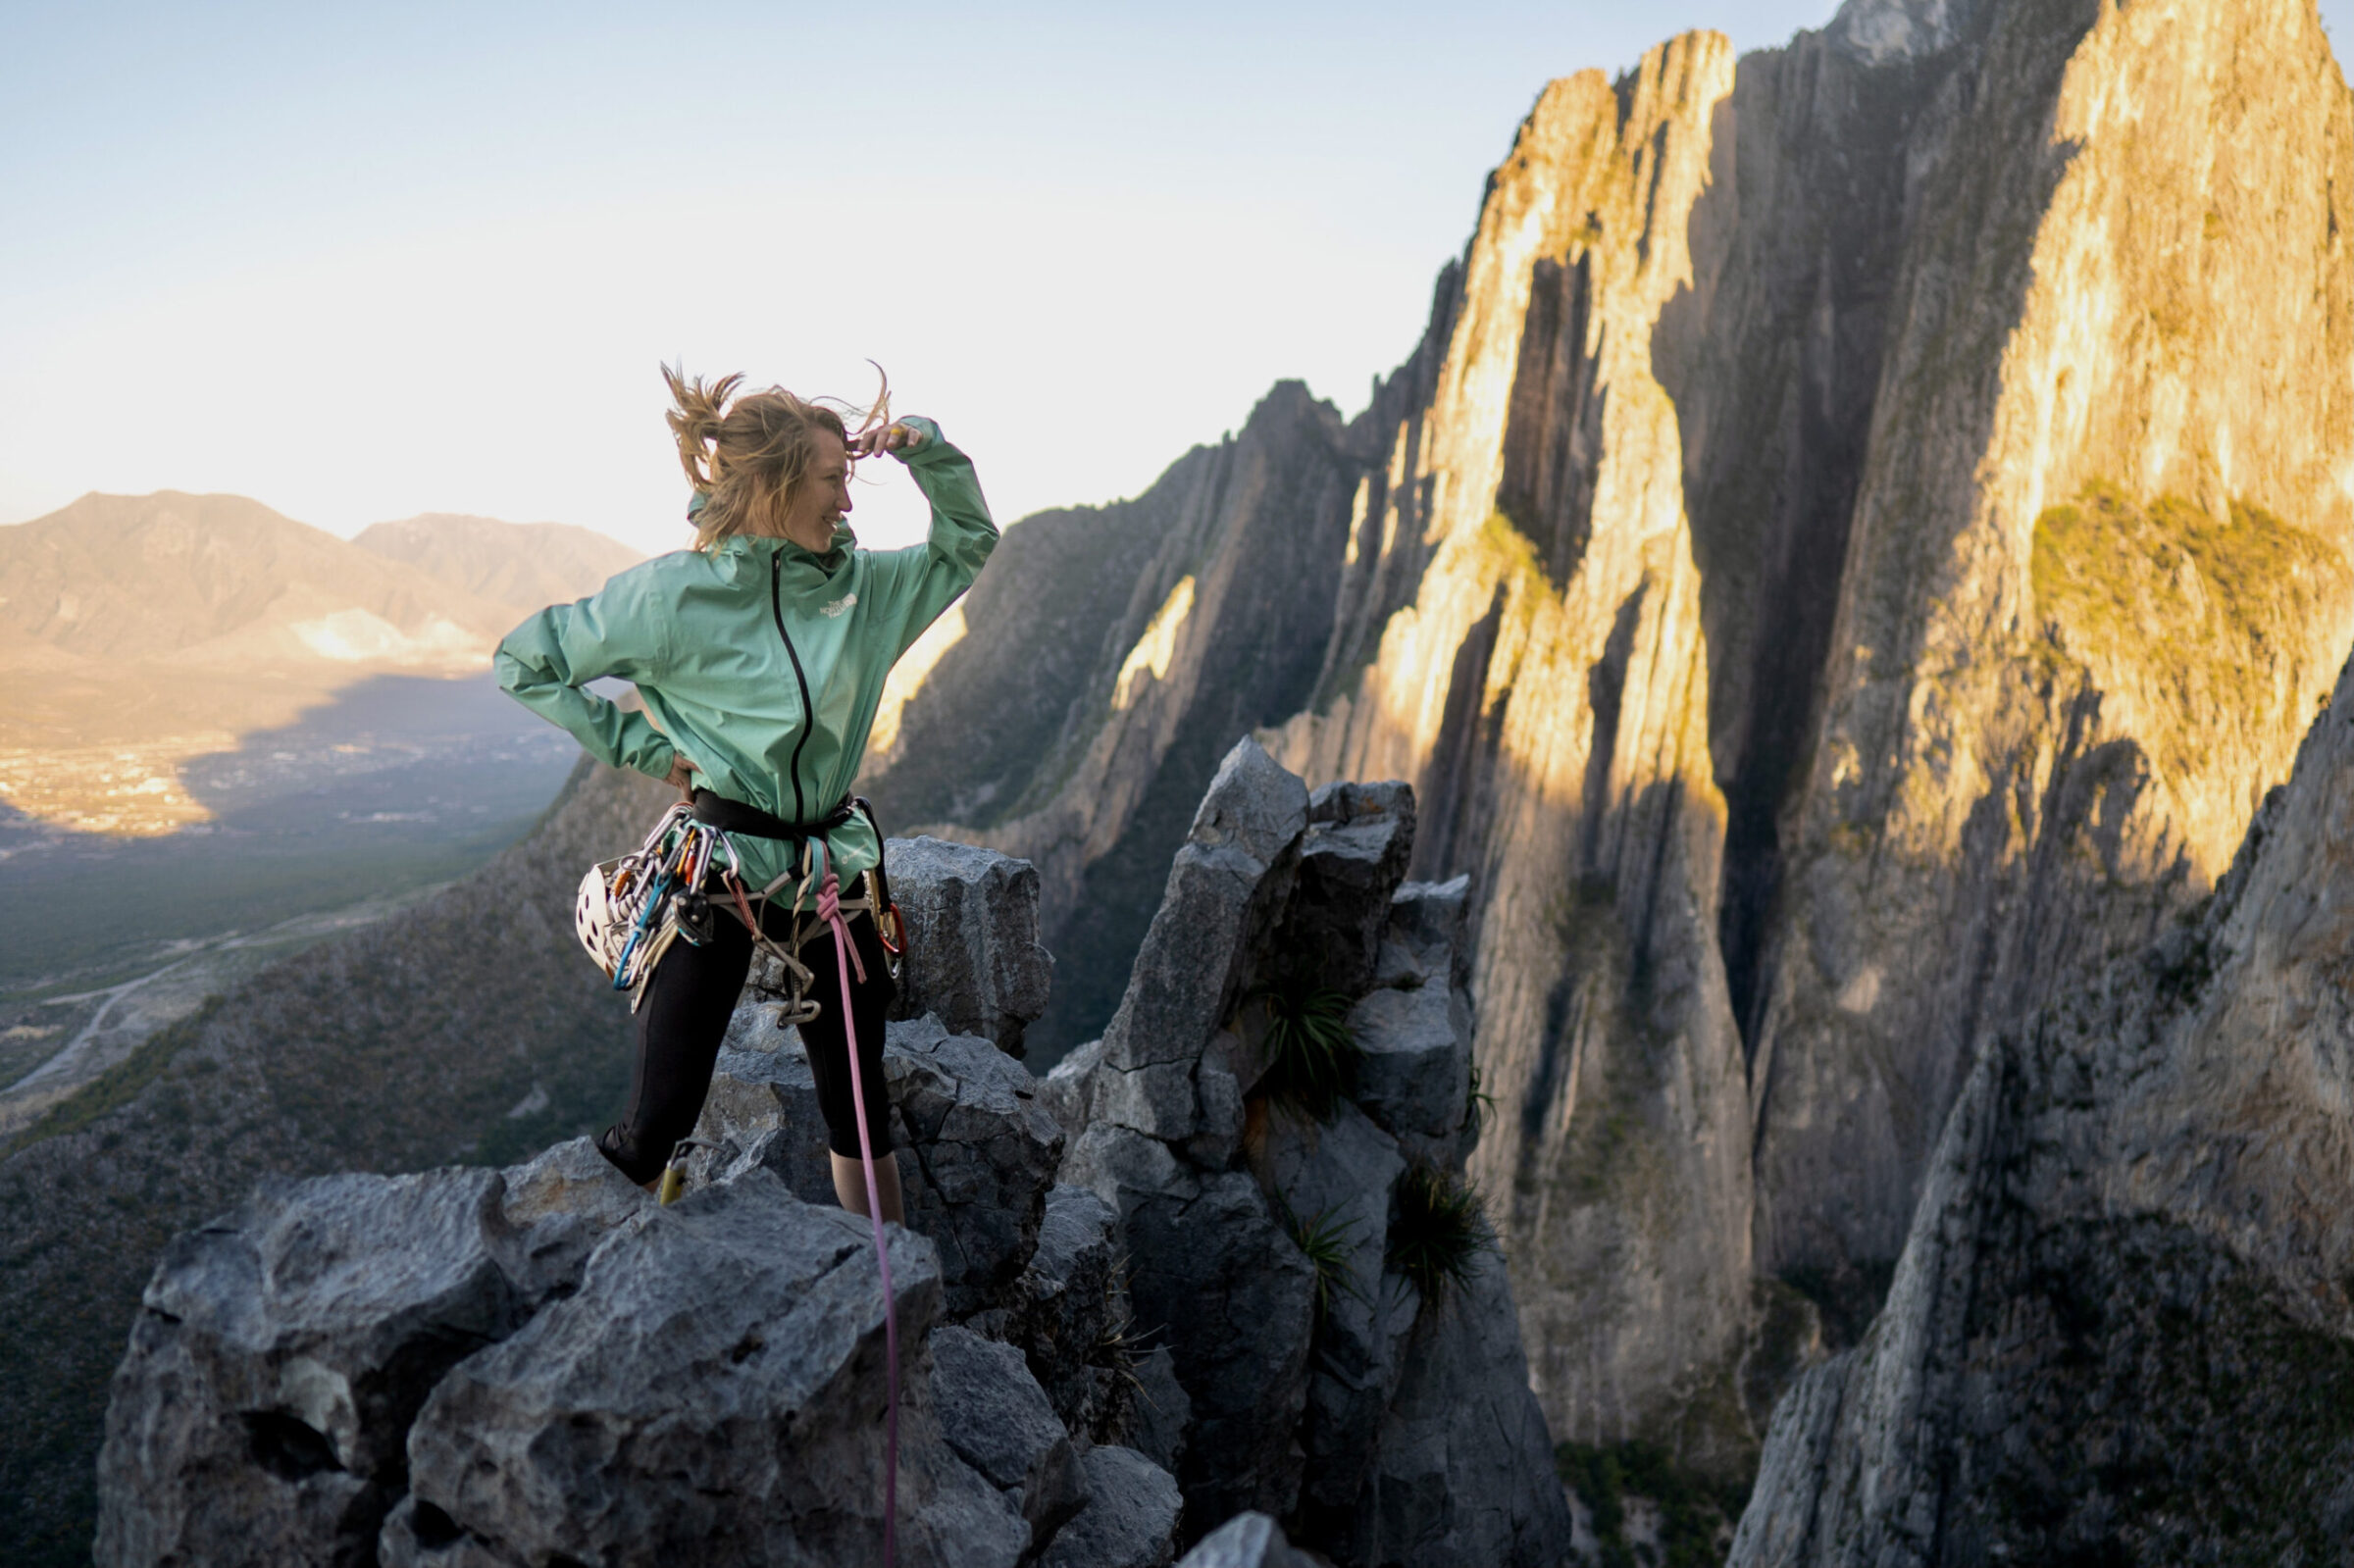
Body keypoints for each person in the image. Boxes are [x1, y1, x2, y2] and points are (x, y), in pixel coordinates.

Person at [494, 367, 997, 1223]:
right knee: (658, 1123)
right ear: (771, 485)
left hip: (831, 873)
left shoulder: (864, 592)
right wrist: (642, 747)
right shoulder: (669, 598)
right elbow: (524, 659)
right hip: (718, 869)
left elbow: (966, 543)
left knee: (860, 1110)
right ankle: (573, 1289)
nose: (848, 503)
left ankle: (899, 1309)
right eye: (833, 479)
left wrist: (926, 449)